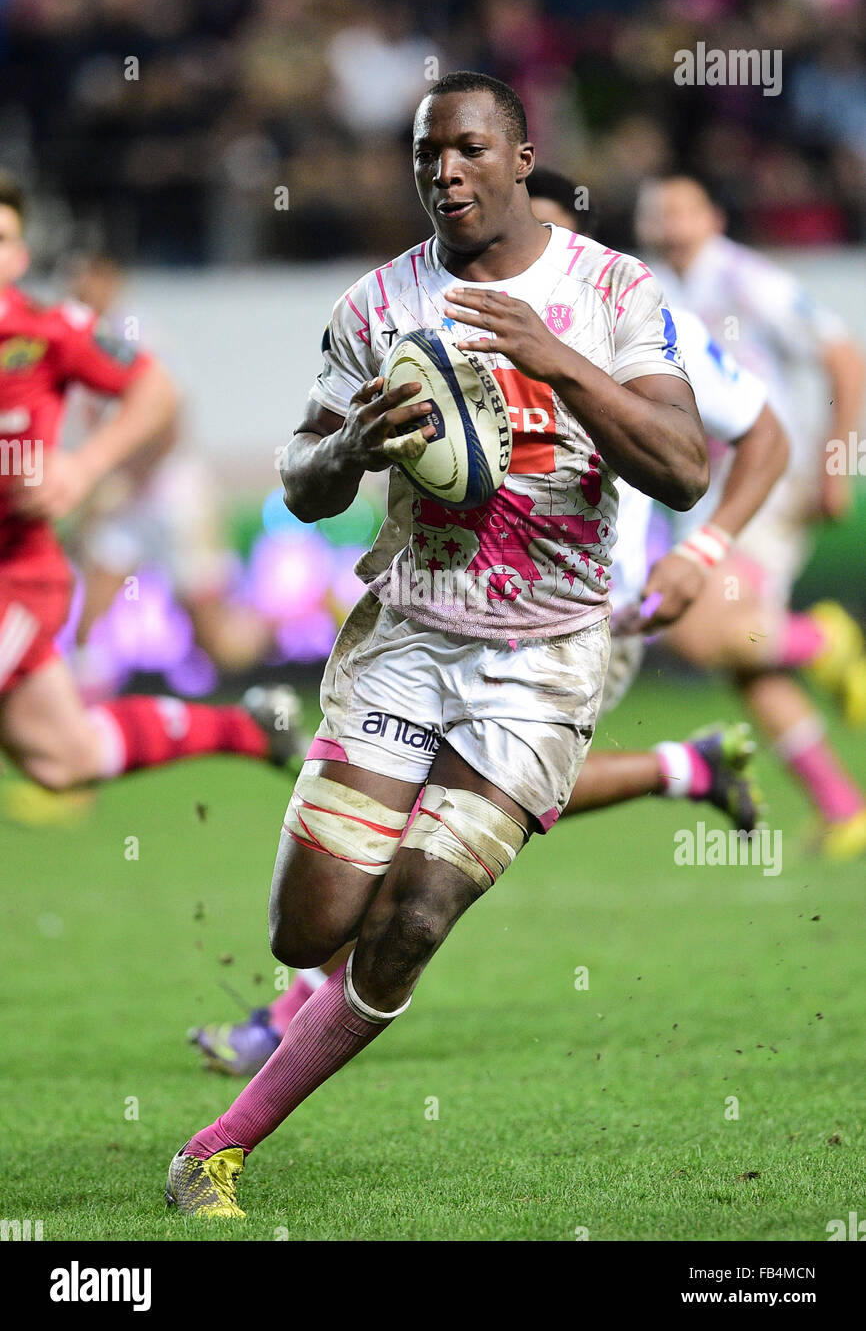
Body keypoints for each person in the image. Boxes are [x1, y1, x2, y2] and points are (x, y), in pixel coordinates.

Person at [165, 70, 709, 1216]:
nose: (444, 172)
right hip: (408, 634)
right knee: (307, 924)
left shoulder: (610, 290)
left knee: (413, 917)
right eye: (426, 156)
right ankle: (338, 906)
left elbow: (681, 465)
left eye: (467, 150)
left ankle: (215, 1148)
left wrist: (560, 364)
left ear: (520, 158)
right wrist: (349, 444)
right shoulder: (376, 306)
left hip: (544, 657)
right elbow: (302, 482)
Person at [189, 167, 792, 1081]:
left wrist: (700, 556)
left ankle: (283, 1026)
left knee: (459, 818)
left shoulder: (627, 306)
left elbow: (760, 438)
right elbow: (314, 461)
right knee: (430, 809)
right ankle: (688, 765)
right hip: (440, 612)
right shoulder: (416, 307)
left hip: (588, 612)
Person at [0, 172, 298, 800]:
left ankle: (299, 619)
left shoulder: (86, 331)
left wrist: (91, 473)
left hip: (167, 497)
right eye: (77, 272)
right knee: (63, 755)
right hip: (119, 505)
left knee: (217, 636)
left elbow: (164, 409)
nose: (85, 282)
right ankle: (247, 725)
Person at [633, 176, 866, 857]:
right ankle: (844, 807)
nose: (668, 223)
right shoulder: (654, 289)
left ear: (713, 216)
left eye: (681, 209)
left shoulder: (742, 279)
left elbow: (844, 357)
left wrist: (835, 459)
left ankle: (826, 642)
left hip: (764, 479)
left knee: (698, 633)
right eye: (656, 213)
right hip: (710, 493)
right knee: (745, 658)